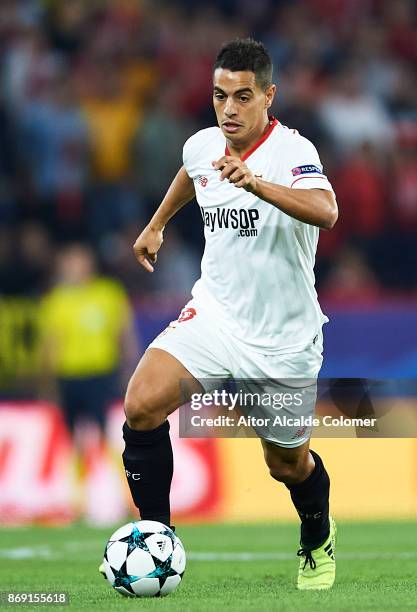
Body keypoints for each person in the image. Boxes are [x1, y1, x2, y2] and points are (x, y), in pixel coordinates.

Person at [106, 38, 338, 590]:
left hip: (283, 340)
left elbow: (327, 211)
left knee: (286, 464)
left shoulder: (294, 152)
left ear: (267, 97)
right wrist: (158, 223)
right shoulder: (204, 144)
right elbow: (192, 173)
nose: (228, 109)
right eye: (219, 96)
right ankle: (156, 536)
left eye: (241, 96)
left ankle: (317, 533)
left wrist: (257, 183)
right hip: (214, 315)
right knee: (141, 404)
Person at [39, 243, 137, 522]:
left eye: (78, 261)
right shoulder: (56, 300)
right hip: (69, 377)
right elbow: (51, 344)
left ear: (89, 263)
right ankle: (77, 503)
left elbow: (124, 334)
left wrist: (130, 370)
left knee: (110, 439)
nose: (73, 267)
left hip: (101, 375)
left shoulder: (108, 293)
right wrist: (48, 383)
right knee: (74, 444)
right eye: (69, 262)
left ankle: (129, 499)